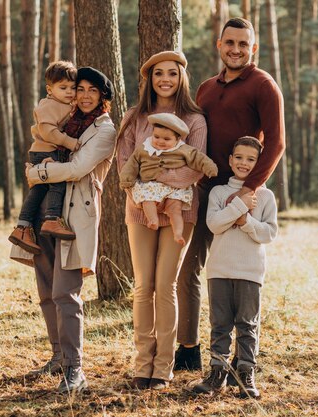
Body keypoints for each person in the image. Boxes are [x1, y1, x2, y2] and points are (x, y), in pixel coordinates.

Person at [174, 17, 286, 372]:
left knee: (239, 276)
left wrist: (249, 191)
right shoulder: (206, 88)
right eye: (230, 43)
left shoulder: (263, 85)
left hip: (242, 195)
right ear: (219, 45)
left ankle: (242, 357)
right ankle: (188, 348)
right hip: (205, 191)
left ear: (253, 48)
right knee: (188, 268)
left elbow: (277, 143)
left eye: (243, 44)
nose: (236, 49)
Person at [116, 51, 207, 390]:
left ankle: (163, 368)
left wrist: (157, 181)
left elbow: (194, 167)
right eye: (158, 74)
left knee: (166, 285)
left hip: (180, 211)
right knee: (143, 286)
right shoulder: (135, 117)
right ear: (149, 80)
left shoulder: (195, 119)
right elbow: (126, 164)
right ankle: (142, 363)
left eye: (172, 73)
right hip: (139, 209)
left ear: (182, 78)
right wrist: (143, 192)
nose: (165, 79)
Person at [24, 67, 116, 393]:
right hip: (45, 214)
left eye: (94, 90)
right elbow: (43, 134)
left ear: (104, 97)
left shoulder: (104, 130)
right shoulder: (65, 121)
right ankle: (58, 358)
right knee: (47, 291)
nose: (86, 95)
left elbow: (78, 169)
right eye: (81, 89)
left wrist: (39, 174)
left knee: (66, 293)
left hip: (75, 220)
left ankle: (76, 370)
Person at [192, 136, 277, 398]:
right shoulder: (218, 192)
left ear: (259, 163)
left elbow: (269, 233)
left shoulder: (265, 196)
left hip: (250, 272)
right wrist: (240, 206)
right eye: (238, 157)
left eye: (251, 159)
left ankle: (245, 374)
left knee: (247, 325)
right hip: (219, 269)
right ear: (230, 160)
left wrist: (245, 222)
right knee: (220, 324)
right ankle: (218, 372)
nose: (244, 163)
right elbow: (214, 225)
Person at [9, 61, 80, 255]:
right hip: (46, 150)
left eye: (73, 88)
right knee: (58, 182)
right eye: (63, 87)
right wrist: (69, 142)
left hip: (43, 151)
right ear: (50, 89)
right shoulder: (48, 105)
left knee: (39, 190)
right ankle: (51, 219)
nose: (69, 92)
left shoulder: (65, 104)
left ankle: (22, 227)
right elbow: (48, 131)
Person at [119, 113, 217, 245]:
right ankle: (152, 219)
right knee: (146, 199)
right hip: (151, 185)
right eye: (157, 137)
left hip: (175, 187)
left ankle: (177, 233)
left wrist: (210, 168)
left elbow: (198, 158)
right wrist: (126, 179)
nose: (160, 141)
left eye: (166, 139)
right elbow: (132, 164)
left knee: (175, 208)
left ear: (177, 140)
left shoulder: (183, 149)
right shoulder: (144, 148)